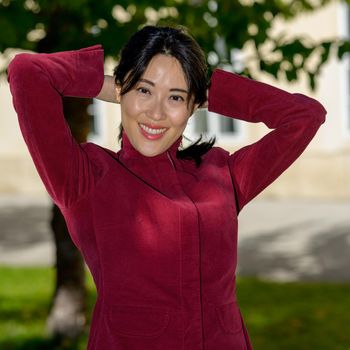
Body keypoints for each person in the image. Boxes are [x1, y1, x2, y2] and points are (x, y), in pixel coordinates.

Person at [8, 25, 326, 350]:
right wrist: (116, 87)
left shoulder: (222, 173)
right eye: (144, 91)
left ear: (193, 105)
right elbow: (26, 72)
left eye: (175, 97)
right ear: (122, 90)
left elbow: (305, 116)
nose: (156, 113)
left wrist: (202, 92)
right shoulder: (85, 179)